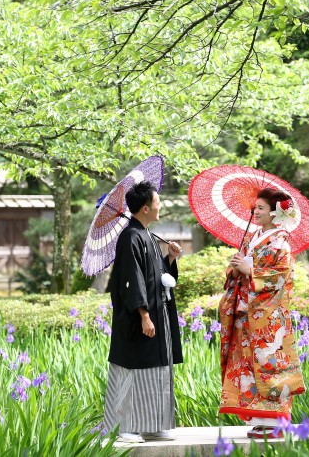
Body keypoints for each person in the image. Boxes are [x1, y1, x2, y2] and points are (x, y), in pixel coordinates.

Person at [218, 188, 305, 439]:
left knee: (270, 365)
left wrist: (250, 270)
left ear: (275, 212)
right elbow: (239, 271)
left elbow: (281, 277)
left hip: (268, 318)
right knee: (247, 366)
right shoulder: (254, 236)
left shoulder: (281, 240)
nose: (255, 212)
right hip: (246, 313)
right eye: (255, 208)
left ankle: (276, 422)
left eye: (261, 208)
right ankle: (259, 418)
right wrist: (235, 269)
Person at [102, 181, 184, 443]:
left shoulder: (145, 234)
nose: (160, 205)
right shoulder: (130, 237)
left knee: (156, 371)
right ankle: (124, 427)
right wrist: (143, 315)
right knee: (133, 370)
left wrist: (169, 259)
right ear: (146, 208)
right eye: (158, 202)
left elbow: (156, 276)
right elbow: (131, 280)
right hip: (139, 319)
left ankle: (153, 424)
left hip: (156, 316)